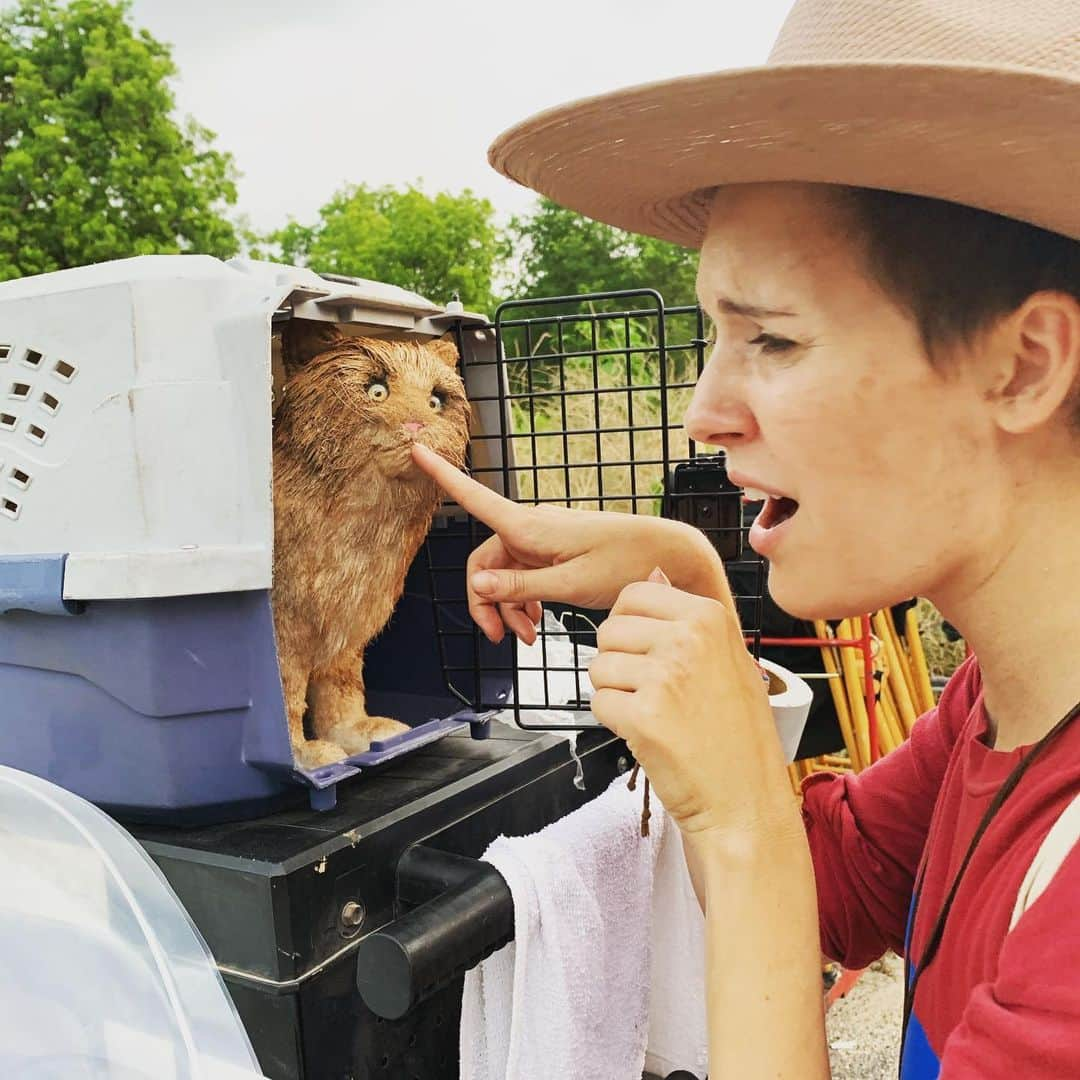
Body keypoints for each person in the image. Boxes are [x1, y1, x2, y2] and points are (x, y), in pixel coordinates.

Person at [412, 0, 1080, 1075]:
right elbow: (830, 886)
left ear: (1025, 364)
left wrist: (733, 817)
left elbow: (765, 860)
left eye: (771, 336)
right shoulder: (1001, 705)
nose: (702, 411)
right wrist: (687, 577)